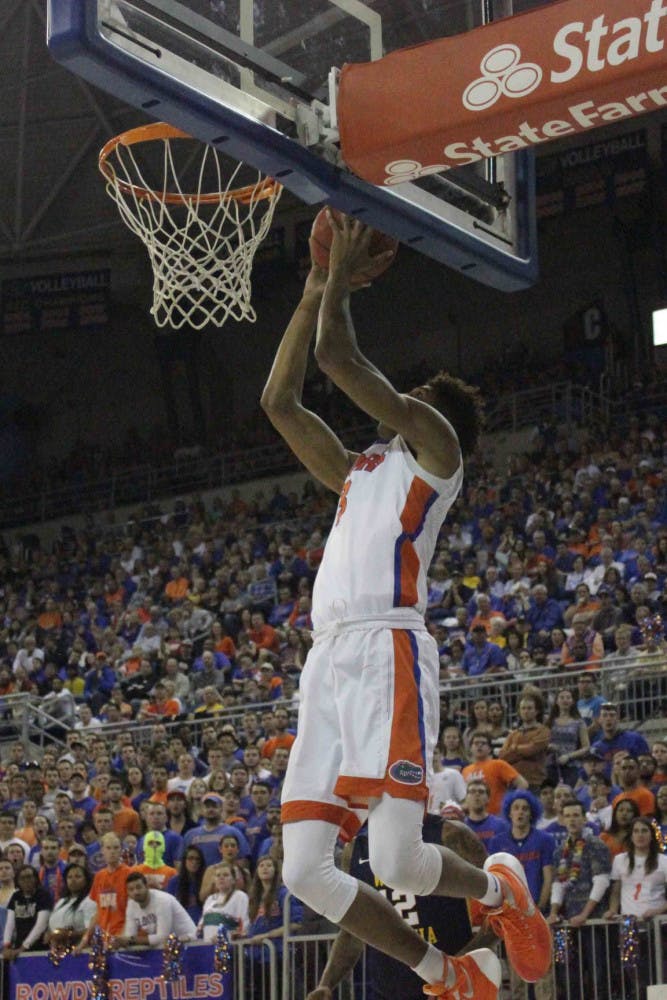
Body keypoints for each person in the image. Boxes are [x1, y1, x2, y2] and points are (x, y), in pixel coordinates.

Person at [261, 213, 551, 998]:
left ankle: (501, 894)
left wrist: (341, 276)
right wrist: (316, 285)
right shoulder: (359, 468)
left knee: (396, 861)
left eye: (416, 397)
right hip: (328, 660)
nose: (404, 401)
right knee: (304, 873)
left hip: (388, 648)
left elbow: (338, 358)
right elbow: (281, 402)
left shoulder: (437, 453)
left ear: (433, 417)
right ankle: (443, 972)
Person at [305, 815, 496, 1000]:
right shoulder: (355, 850)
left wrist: (458, 970)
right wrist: (326, 984)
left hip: (451, 989)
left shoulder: (449, 833)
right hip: (387, 989)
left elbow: (504, 908)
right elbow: (353, 932)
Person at [488, 791, 555, 1000]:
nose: (520, 812)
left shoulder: (544, 839)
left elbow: (548, 877)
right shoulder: (497, 842)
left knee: (544, 970)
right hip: (512, 917)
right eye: (516, 808)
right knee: (517, 972)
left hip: (537, 912)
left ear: (532, 813)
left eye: (525, 808)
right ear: (509, 812)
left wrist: (538, 909)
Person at [114, 872, 197, 947]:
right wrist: (121, 942)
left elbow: (163, 937)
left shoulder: (162, 900)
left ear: (146, 886)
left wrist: (132, 940)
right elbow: (130, 935)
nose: (136, 892)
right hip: (167, 946)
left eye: (138, 887)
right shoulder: (131, 904)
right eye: (131, 889)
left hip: (189, 942)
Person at [463, 731, 528, 815]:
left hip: (497, 816)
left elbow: (523, 784)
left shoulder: (498, 764)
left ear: (490, 749)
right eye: (476, 743)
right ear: (471, 748)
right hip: (473, 818)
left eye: (483, 743)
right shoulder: (465, 770)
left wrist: (510, 804)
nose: (479, 745)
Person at [497, 693, 550, 793]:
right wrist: (523, 751)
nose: (526, 711)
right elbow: (502, 756)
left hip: (535, 782)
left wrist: (513, 748)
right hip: (514, 781)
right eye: (523, 708)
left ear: (536, 711)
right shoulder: (513, 734)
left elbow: (532, 749)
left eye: (529, 708)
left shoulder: (543, 731)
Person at [3, 865, 51, 957]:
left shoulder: (43, 895)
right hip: (18, 947)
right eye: (22, 878)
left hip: (39, 949)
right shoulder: (16, 896)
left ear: (35, 878)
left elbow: (41, 925)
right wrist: (6, 945)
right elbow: (9, 924)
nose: (26, 881)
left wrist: (24, 947)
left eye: (29, 877)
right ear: (17, 881)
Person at [545, 688, 590, 788]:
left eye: (568, 697)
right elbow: (543, 742)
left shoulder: (579, 722)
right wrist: (549, 746)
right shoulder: (549, 721)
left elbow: (586, 747)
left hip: (572, 766)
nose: (565, 700)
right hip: (552, 765)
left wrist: (568, 756)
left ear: (573, 701)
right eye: (562, 697)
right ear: (556, 701)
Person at [45, 864, 96, 946]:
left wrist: (69, 934)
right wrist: (49, 934)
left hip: (79, 951)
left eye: (78, 876)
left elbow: (92, 930)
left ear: (86, 880)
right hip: (57, 950)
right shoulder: (61, 902)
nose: (73, 880)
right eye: (69, 877)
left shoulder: (90, 901)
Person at [199, 863, 250, 941]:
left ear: (233, 880)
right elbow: (201, 926)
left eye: (226, 875)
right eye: (218, 875)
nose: (221, 878)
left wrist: (225, 937)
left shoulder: (240, 896)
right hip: (208, 947)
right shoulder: (210, 899)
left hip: (230, 947)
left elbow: (244, 924)